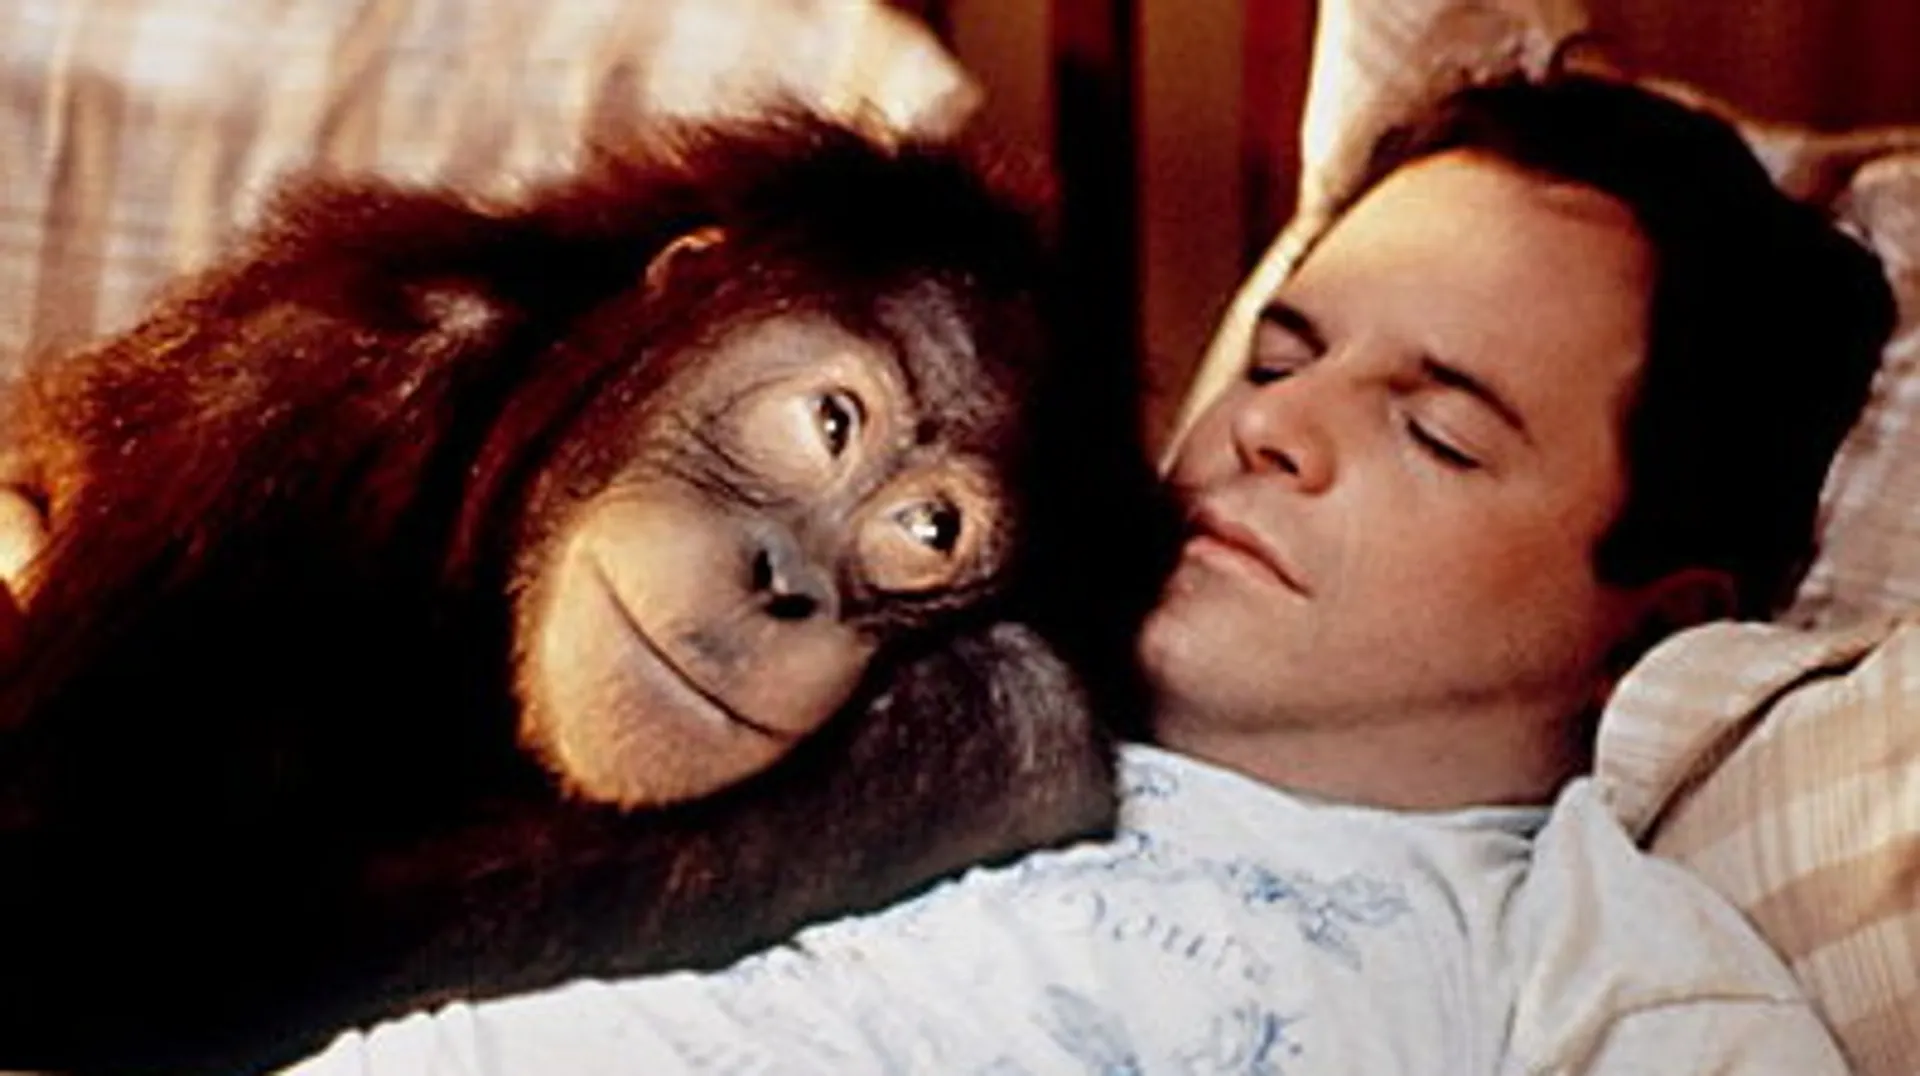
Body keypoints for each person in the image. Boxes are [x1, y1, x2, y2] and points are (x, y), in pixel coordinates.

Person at [147, 73, 1914, 1073]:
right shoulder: (902, 639)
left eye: (1437, 433)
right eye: (1281, 353)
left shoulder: (1598, 968)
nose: (1275, 433)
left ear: (1656, 622)